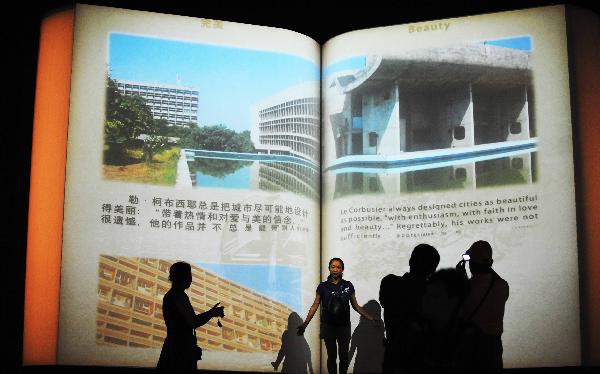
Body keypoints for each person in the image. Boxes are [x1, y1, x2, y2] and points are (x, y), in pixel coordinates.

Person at [297, 258, 379, 374]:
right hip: (328, 327)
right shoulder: (323, 286)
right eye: (333, 267)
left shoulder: (348, 285)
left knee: (344, 356)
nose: (335, 269)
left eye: (338, 267)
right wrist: (304, 324)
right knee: (331, 356)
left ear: (342, 269)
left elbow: (356, 306)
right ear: (329, 269)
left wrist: (371, 318)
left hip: (344, 327)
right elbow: (315, 306)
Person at [379, 243, 440, 373]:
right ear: (433, 269)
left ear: (411, 261)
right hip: (421, 361)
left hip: (394, 359)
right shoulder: (432, 293)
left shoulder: (389, 283)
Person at [156, 261, 225, 373]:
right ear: (182, 277)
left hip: (177, 349)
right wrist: (212, 313)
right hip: (179, 352)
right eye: (189, 275)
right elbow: (193, 322)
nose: (191, 279)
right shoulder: (177, 296)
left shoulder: (174, 295)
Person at [455, 240, 509, 373]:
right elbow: (491, 278)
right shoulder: (503, 286)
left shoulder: (466, 289)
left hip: (471, 347)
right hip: (494, 348)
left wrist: (460, 277)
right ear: (490, 263)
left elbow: (459, 312)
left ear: (471, 264)